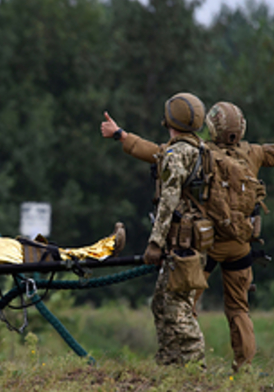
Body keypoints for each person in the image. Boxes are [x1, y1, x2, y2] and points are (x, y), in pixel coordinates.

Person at [101, 100, 274, 371]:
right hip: (241, 246)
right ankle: (245, 368)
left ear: (212, 127)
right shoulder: (256, 153)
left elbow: (157, 153)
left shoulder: (202, 153)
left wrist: (120, 134)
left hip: (207, 246)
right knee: (239, 309)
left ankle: (187, 362)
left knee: (183, 304)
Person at [102, 93, 208, 366]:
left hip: (180, 244)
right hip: (196, 241)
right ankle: (171, 362)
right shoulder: (200, 150)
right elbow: (154, 152)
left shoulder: (176, 155)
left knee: (175, 307)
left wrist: (155, 243)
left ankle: (194, 366)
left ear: (170, 119)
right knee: (162, 304)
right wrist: (120, 135)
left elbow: (168, 201)